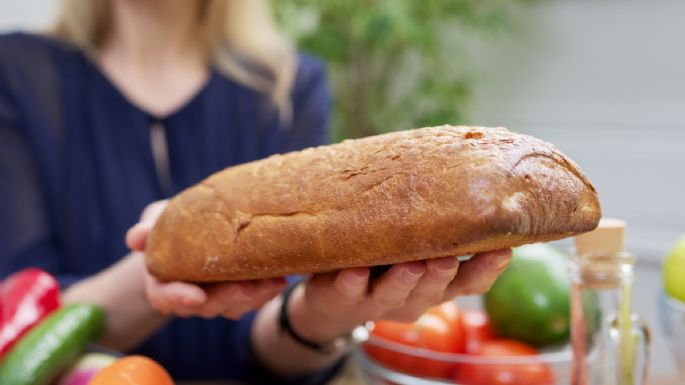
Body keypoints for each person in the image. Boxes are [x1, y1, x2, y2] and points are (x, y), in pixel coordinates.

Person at [0, 0, 512, 383]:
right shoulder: (16, 73)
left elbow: (270, 336)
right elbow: (20, 313)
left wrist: (330, 312)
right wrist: (169, 257)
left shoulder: (289, 86)